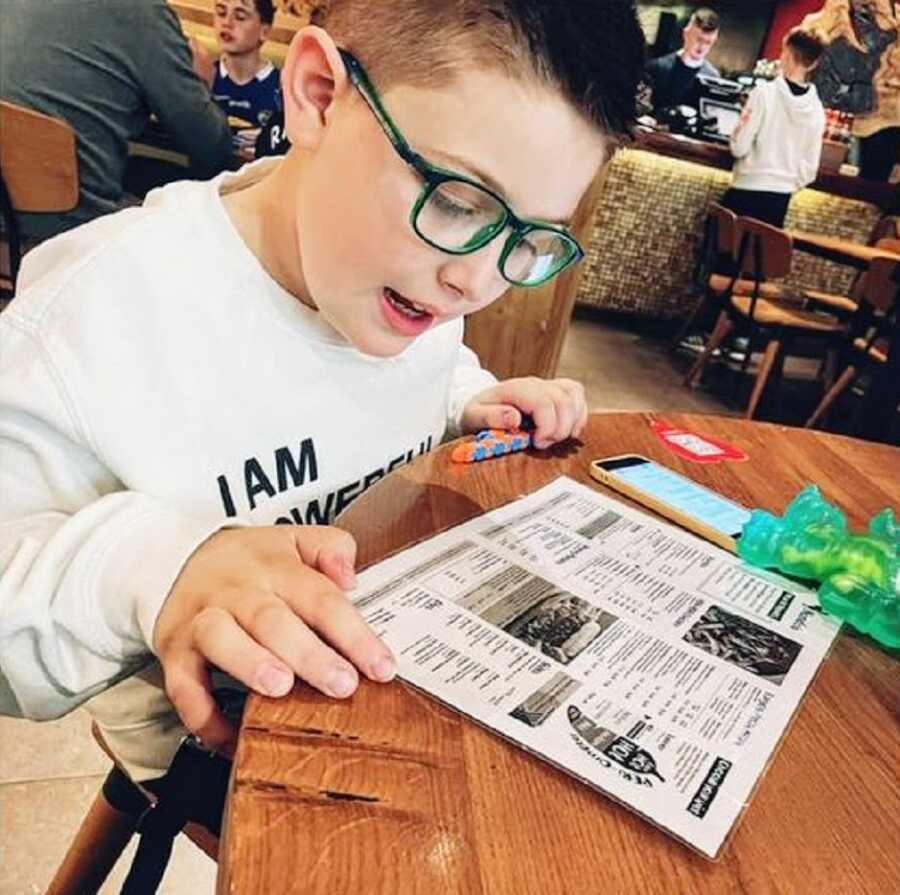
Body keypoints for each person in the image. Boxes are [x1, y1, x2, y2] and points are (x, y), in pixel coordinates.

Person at [0, 0, 645, 813]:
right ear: (314, 95)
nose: (478, 283)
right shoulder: (101, 314)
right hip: (219, 751)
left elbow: (417, 374)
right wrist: (149, 565)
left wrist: (472, 398)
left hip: (392, 673)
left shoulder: (407, 281)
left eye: (529, 237)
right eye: (457, 200)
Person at [0, 0, 234, 242]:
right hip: (66, 233)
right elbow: (211, 145)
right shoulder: (144, 13)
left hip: (11, 225)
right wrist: (201, 83)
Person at [724, 28, 827, 228]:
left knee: (724, 255)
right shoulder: (817, 110)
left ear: (786, 54)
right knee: (757, 259)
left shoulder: (763, 93)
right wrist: (786, 183)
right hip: (779, 203)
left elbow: (739, 147)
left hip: (744, 191)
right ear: (813, 63)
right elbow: (809, 170)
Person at [210, 0, 283, 127]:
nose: (227, 23)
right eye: (221, 13)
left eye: (240, 17)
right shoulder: (204, 76)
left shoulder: (282, 87)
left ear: (264, 31)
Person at [645, 7, 720, 114]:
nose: (702, 47)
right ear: (686, 34)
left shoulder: (712, 78)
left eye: (708, 42)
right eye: (699, 39)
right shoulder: (657, 67)